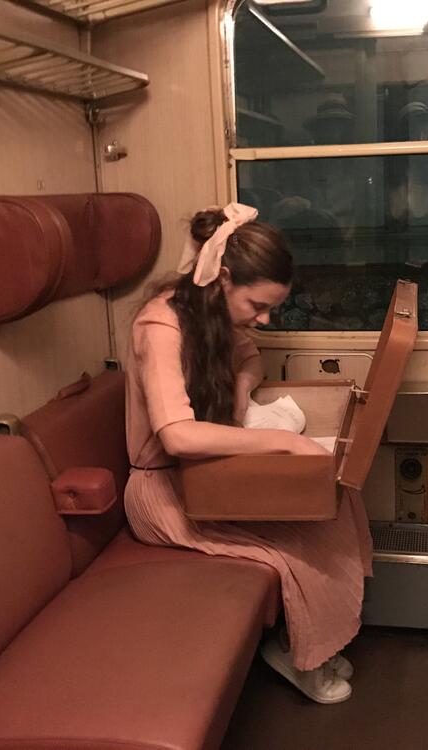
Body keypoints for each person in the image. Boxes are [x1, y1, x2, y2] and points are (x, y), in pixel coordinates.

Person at [123, 202, 374, 704]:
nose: (264, 319)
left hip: (209, 476)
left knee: (334, 507)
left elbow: (250, 359)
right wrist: (284, 441)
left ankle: (312, 642)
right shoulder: (161, 325)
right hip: (164, 490)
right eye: (257, 305)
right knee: (294, 550)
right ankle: (298, 655)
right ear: (223, 281)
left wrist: (240, 391)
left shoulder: (212, 312)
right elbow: (177, 436)